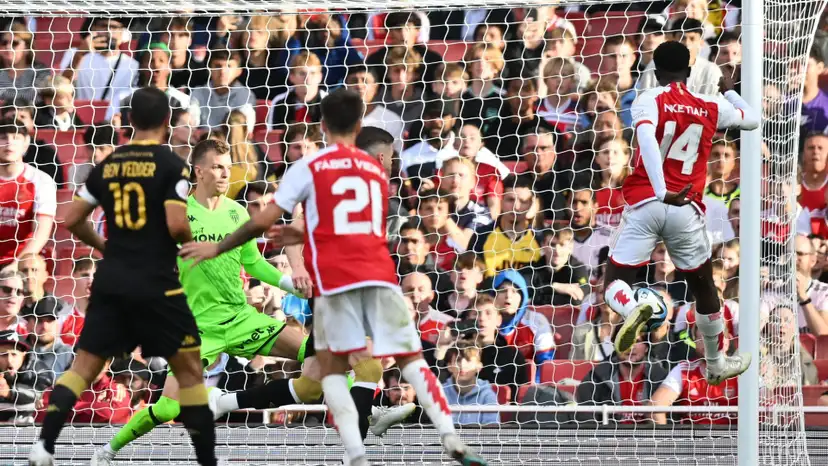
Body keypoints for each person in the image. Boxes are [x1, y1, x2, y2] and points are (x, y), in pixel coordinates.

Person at [180, 89, 487, 466]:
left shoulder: (345, 177)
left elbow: (294, 226)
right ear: (376, 150)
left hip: (349, 286)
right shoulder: (353, 178)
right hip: (342, 287)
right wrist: (297, 266)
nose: (392, 163)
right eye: (390, 157)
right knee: (373, 366)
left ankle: (223, 403)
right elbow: (299, 227)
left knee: (314, 383)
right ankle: (364, 442)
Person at [27, 87, 217, 466]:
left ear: (129, 121)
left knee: (82, 369)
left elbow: (71, 218)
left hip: (111, 280)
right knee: (190, 371)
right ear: (167, 122)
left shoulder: (109, 165)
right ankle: (207, 460)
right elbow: (177, 223)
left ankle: (43, 446)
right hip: (157, 282)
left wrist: (104, 246)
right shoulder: (172, 165)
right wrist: (191, 245)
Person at [602, 41, 758, 386]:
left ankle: (634, 307)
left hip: (646, 203)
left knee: (614, 281)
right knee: (704, 287)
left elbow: (645, 138)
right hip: (687, 207)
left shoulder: (648, 98)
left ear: (655, 71)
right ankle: (716, 363)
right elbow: (752, 119)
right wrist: (730, 91)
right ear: (689, 71)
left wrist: (660, 190)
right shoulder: (709, 104)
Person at [0, 117, 56, 270]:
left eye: (15, 137)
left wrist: (15, 266)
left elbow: (42, 232)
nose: (9, 143)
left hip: (23, 262)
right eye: (3, 137)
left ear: (26, 142)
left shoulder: (41, 180)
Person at [441, 346, 500, 426]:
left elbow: (492, 429)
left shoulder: (487, 395)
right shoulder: (440, 392)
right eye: (458, 360)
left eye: (468, 360)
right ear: (449, 366)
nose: (462, 365)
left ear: (479, 367)